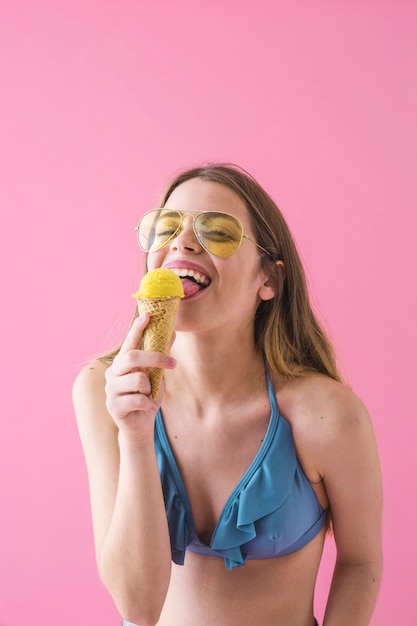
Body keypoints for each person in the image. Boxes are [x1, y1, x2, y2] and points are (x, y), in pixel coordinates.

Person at [73, 163, 383, 626]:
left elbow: (361, 564)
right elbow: (138, 606)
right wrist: (135, 437)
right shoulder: (104, 391)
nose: (183, 242)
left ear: (269, 281)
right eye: (167, 227)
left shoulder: (326, 415)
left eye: (217, 231)